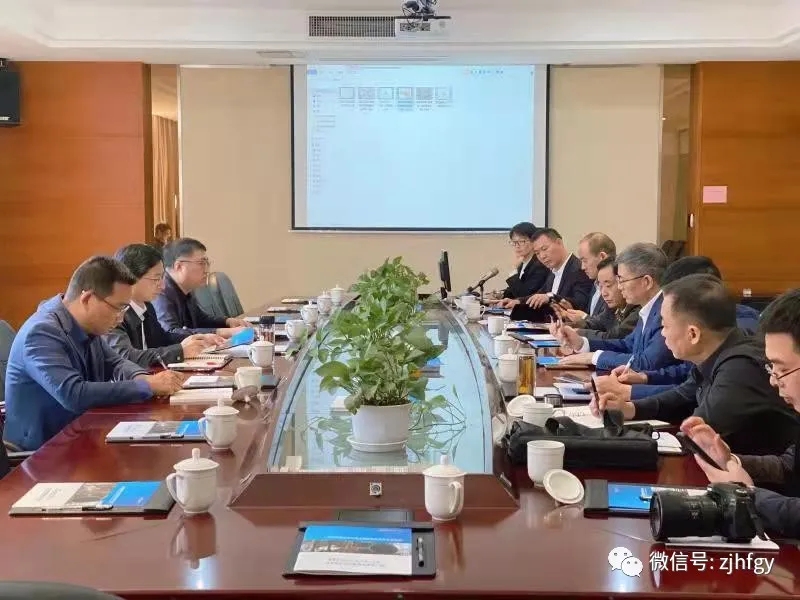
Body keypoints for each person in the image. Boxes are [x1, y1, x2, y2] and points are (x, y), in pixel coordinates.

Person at [592, 275, 799, 456]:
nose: (662, 333)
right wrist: (630, 409)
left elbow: (695, 433)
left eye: (665, 325)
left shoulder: (740, 369)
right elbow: (684, 395)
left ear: (693, 334)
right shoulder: (717, 353)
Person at [3, 257, 185, 451]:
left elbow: (116, 363)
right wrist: (147, 386)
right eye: (118, 308)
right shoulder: (41, 332)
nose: (121, 318)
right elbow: (74, 394)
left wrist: (142, 377)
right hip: (41, 452)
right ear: (87, 299)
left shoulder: (86, 324)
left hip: (81, 435)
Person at [681, 289, 800, 539]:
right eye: (771, 367)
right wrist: (731, 461)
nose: (773, 381)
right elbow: (790, 467)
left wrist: (745, 494)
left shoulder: (739, 364)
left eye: (782, 369)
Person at [554, 242, 680, 374]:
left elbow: (647, 363)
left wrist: (594, 357)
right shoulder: (648, 308)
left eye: (622, 280)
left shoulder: (666, 312)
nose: (620, 287)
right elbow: (627, 345)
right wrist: (581, 343)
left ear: (646, 282)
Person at [105, 244, 225, 368]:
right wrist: (180, 351)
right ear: (131, 278)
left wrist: (199, 339)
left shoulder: (147, 306)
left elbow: (162, 338)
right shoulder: (113, 314)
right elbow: (126, 357)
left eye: (162, 277)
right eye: (156, 279)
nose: (162, 286)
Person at [153, 238, 250, 336]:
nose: (207, 270)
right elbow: (171, 333)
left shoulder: (185, 289)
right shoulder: (161, 292)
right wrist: (221, 332)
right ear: (179, 266)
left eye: (207, 263)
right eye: (201, 263)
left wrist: (227, 322)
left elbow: (200, 320)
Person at [506, 228, 594, 321]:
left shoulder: (579, 269)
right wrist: (518, 301)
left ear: (559, 242)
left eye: (544, 249)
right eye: (537, 253)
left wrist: (550, 297)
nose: (542, 256)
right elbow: (541, 293)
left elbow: (580, 304)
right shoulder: (553, 271)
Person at [553, 232, 616, 324]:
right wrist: (571, 315)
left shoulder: (617, 286)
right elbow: (593, 320)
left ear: (602, 257)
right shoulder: (595, 284)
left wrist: (584, 318)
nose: (582, 267)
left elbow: (607, 326)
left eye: (585, 260)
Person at [571, 257, 640, 340]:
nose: (604, 293)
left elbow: (614, 337)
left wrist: (578, 332)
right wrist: (568, 326)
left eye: (608, 286)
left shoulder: (637, 309)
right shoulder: (612, 307)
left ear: (621, 281)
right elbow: (595, 324)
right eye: (600, 286)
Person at [496, 222, 550, 305]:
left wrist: (513, 270)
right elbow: (515, 290)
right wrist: (500, 295)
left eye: (521, 241)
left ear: (533, 241)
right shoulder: (523, 264)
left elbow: (525, 294)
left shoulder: (539, 265)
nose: (517, 246)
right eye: (514, 242)